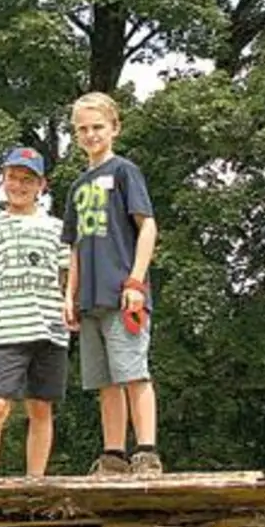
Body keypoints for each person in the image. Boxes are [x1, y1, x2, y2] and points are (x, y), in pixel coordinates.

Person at [60, 92, 162, 476]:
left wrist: (136, 280)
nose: (90, 135)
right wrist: (68, 295)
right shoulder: (76, 187)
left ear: (115, 128)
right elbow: (73, 246)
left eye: (97, 127)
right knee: (105, 381)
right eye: (82, 129)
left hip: (124, 293)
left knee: (133, 372)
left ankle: (147, 451)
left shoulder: (124, 172)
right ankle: (113, 454)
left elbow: (147, 225)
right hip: (89, 298)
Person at [0, 147, 71, 478]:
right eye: (13, 177)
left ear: (41, 184)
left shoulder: (57, 228)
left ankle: (35, 479)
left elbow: (66, 277)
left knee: (41, 406)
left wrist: (70, 308)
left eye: (27, 179)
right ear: (3, 180)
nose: (19, 185)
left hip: (50, 327)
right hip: (9, 328)